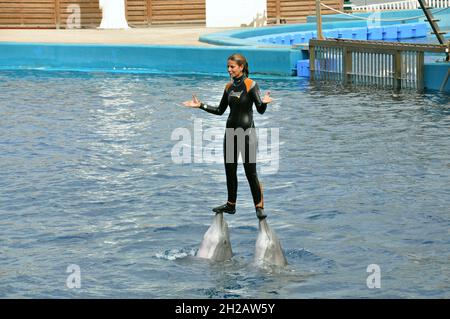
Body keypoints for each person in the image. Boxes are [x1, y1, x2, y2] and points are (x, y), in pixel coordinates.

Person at [183, 54, 273, 220]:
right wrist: (200, 105)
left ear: (241, 67)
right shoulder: (228, 87)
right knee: (230, 171)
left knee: (250, 173)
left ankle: (259, 206)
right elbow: (220, 110)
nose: (229, 70)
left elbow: (259, 109)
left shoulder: (251, 85)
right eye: (228, 67)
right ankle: (231, 205)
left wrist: (265, 102)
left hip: (247, 134)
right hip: (230, 133)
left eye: (232, 67)